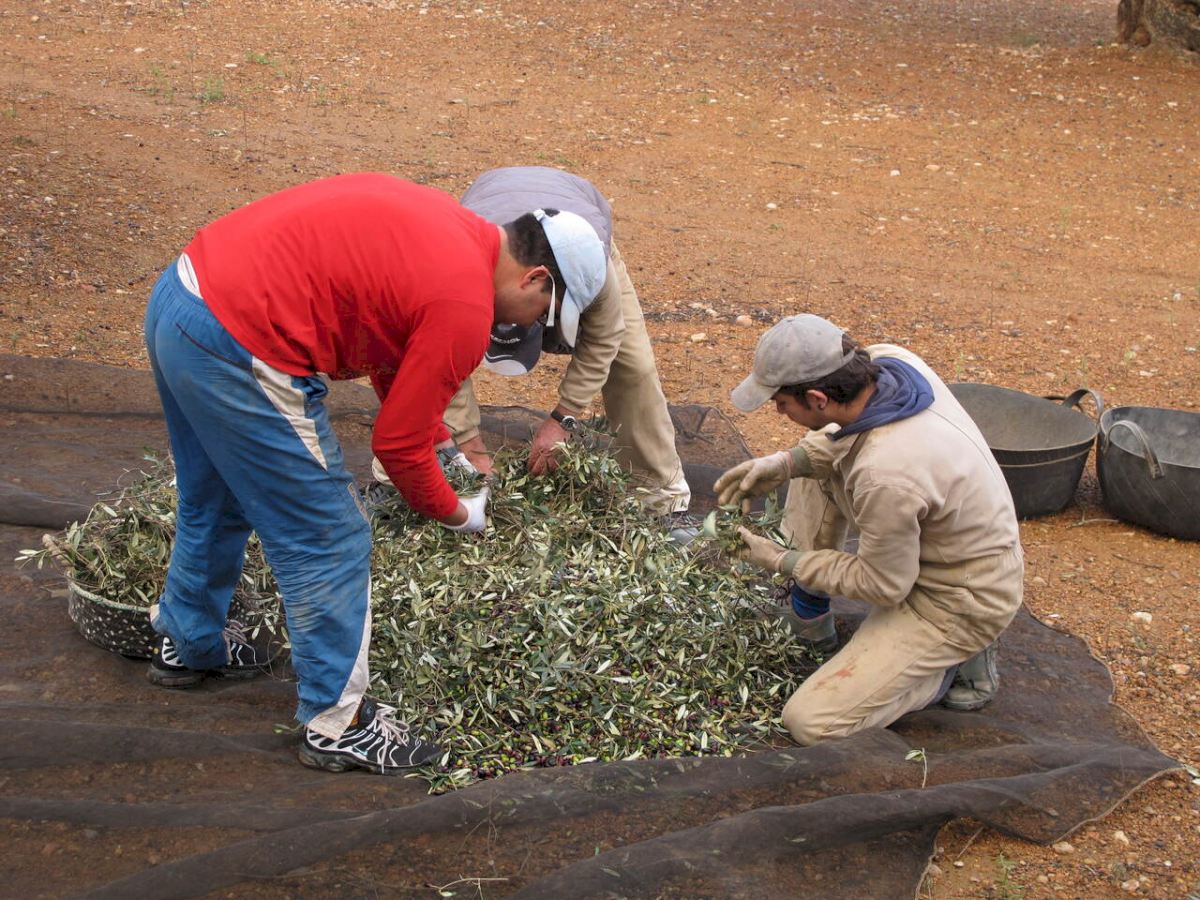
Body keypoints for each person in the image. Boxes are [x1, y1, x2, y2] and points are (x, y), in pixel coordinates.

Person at [143, 172, 606, 774]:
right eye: (543, 313)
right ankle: (338, 724)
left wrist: (444, 446)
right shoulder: (465, 304)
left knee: (217, 494)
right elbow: (395, 446)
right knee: (331, 537)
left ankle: (189, 642)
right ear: (535, 277)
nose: (531, 326)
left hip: (183, 298)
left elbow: (389, 352)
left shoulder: (453, 232)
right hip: (243, 342)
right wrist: (458, 512)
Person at [714, 314, 1024, 745]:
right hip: (931, 542)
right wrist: (787, 463)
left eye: (781, 402)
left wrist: (780, 559)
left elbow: (883, 585)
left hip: (957, 597)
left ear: (818, 397)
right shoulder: (887, 361)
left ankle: (948, 663)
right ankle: (808, 608)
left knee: (811, 723)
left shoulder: (885, 473)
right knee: (815, 463)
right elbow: (837, 437)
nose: (779, 412)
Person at [369, 166, 692, 523]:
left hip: (575, 238)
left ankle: (660, 498)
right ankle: (394, 483)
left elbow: (605, 338)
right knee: (427, 355)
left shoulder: (592, 272)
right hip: (490, 235)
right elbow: (437, 362)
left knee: (634, 367)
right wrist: (467, 442)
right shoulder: (458, 272)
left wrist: (563, 418)